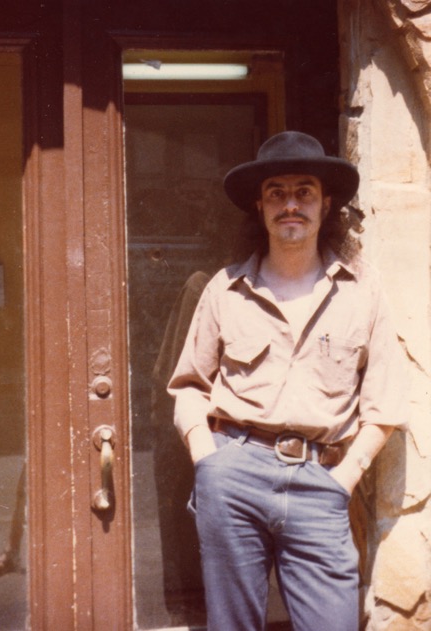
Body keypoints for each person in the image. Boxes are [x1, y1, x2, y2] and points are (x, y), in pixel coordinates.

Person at [167, 131, 408, 631]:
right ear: (260, 206)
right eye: (277, 192)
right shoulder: (225, 289)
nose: (290, 205)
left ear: (326, 205)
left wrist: (343, 480)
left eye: (304, 192)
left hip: (321, 483)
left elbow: (384, 404)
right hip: (233, 475)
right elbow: (189, 385)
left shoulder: (362, 294)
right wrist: (207, 460)